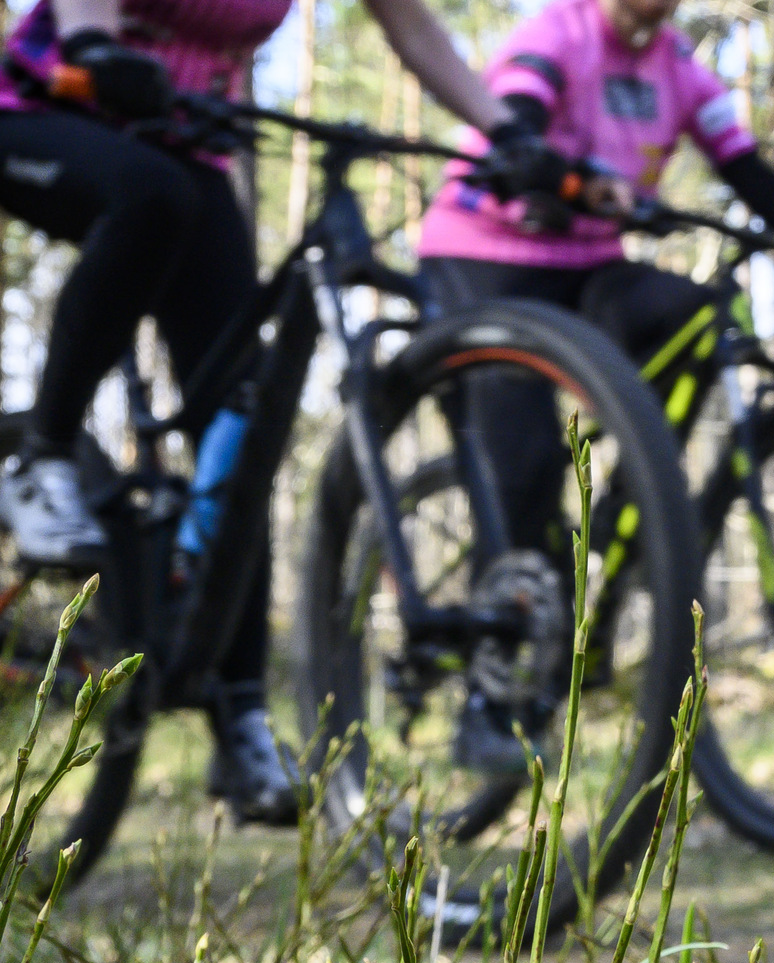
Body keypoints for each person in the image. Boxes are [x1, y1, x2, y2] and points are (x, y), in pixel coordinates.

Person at [0, 0, 572, 822]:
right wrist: (94, 44)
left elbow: (413, 31)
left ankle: (240, 717)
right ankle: (41, 456)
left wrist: (505, 131)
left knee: (248, 422)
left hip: (190, 150)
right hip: (48, 110)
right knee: (153, 197)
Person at [413, 0, 774, 774]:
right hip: (484, 254)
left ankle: (633, 510)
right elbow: (520, 115)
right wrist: (551, 178)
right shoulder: (557, 32)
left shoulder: (680, 72)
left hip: (587, 265)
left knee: (694, 317)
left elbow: (746, 171)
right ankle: (486, 702)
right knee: (525, 463)